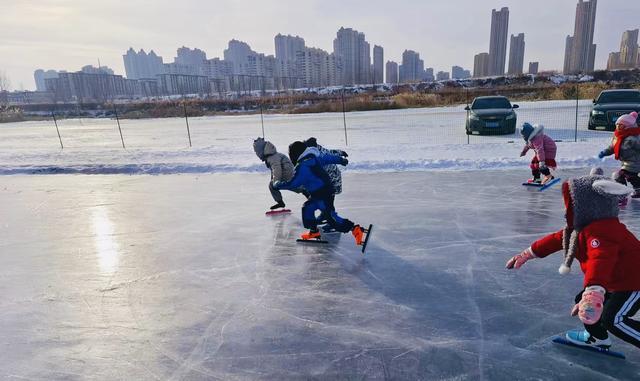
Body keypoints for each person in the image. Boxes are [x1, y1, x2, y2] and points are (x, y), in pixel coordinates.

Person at [506, 171, 640, 350]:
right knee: (584, 302)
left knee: (613, 319)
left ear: (587, 206)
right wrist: (527, 253)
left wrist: (593, 292)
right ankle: (597, 338)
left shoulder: (604, 231)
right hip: (614, 281)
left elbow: (600, 260)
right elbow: (556, 239)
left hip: (634, 283)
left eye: (570, 205)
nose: (566, 210)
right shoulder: (581, 230)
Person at [273, 141, 367, 245]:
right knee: (308, 208)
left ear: (295, 154)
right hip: (321, 192)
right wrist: (340, 160)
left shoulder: (303, 166)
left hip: (323, 193)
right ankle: (314, 232)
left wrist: (278, 185)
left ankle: (355, 229)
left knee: (331, 218)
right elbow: (327, 158)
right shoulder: (312, 158)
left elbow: (293, 184)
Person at [598, 112, 640, 199]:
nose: (618, 128)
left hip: (635, 162)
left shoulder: (634, 138)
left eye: (621, 126)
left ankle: (622, 191)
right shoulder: (618, 136)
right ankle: (623, 191)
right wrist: (605, 152)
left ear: (628, 126)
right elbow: (612, 147)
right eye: (617, 125)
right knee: (627, 176)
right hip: (625, 162)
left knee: (625, 175)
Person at [253, 137, 295, 210]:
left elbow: (277, 169)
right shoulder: (273, 155)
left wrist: (276, 182)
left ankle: (280, 202)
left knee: (272, 185)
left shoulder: (272, 157)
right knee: (294, 186)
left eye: (257, 152)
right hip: (289, 173)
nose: (257, 154)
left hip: (286, 173)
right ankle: (306, 193)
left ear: (260, 151)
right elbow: (274, 171)